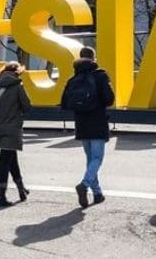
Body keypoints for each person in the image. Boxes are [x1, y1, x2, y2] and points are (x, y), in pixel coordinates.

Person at [61, 45, 114, 208]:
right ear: (94, 58)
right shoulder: (100, 75)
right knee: (97, 159)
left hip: (81, 123)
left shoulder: (74, 78)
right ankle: (84, 185)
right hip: (97, 121)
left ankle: (97, 193)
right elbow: (109, 99)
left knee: (90, 159)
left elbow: (65, 101)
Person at [0, 61, 32, 207]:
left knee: (11, 158)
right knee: (5, 160)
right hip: (12, 127)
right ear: (17, 72)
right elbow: (27, 107)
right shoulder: (18, 87)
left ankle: (21, 189)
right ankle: (0, 196)